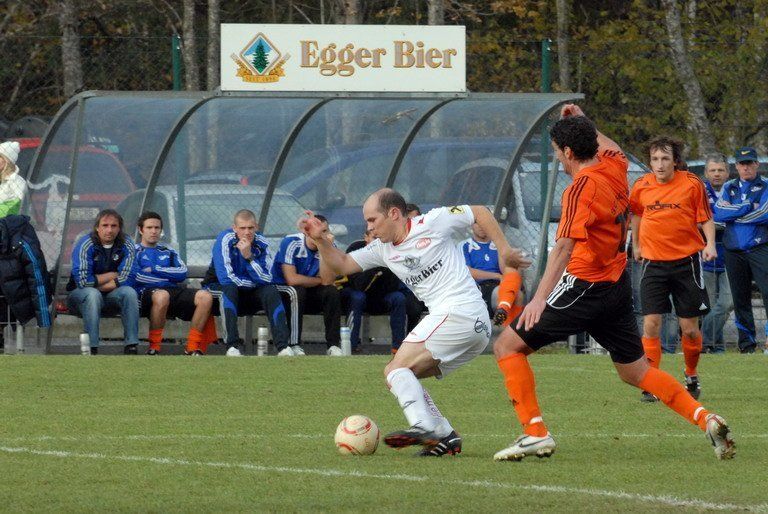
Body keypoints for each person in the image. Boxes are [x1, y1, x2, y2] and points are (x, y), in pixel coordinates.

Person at [491, 104, 734, 462]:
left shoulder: (579, 189)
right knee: (636, 371)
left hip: (584, 286)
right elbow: (615, 147)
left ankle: (535, 433)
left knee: (507, 346)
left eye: (557, 151)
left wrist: (540, 298)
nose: (557, 158)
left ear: (568, 151)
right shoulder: (614, 167)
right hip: (615, 284)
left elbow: (563, 248)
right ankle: (705, 418)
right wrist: (583, 120)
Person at [299, 189, 530, 457]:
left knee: (397, 369)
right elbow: (338, 268)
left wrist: (504, 249)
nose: (369, 227)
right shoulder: (382, 248)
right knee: (399, 375)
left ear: (394, 213)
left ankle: (424, 425)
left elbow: (478, 211)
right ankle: (445, 435)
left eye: (373, 220)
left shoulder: (432, 222)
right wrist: (320, 240)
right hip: (467, 326)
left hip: (461, 312)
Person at [629, 136, 716, 401]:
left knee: (689, 328)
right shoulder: (641, 185)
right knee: (651, 323)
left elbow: (705, 217)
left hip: (686, 262)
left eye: (665, 158)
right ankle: (652, 382)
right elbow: (637, 215)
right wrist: (636, 245)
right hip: (653, 263)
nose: (660, 164)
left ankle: (691, 374)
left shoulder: (691, 184)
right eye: (655, 159)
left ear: (675, 161)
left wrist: (710, 244)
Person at [202, 209, 291, 357]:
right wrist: (254, 282)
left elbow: (268, 278)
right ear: (234, 228)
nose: (247, 232)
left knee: (271, 291)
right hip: (218, 287)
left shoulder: (261, 242)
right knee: (229, 290)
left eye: (250, 228)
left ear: (256, 227)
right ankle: (232, 346)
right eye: (242, 228)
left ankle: (283, 347)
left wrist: (249, 257)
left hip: (248, 289)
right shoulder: (225, 239)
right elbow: (226, 278)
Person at [134, 211, 217, 355]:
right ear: (140, 230)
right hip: (146, 293)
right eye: (149, 228)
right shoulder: (134, 251)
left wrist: (155, 269)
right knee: (162, 295)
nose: (153, 231)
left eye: (157, 228)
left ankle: (192, 347)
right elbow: (137, 276)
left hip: (173, 290)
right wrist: (167, 276)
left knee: (205, 296)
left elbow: (182, 272)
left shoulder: (168, 251)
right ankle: (154, 347)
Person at [713, 146, 768, 354]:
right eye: (742, 164)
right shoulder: (729, 186)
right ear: (736, 166)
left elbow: (765, 213)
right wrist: (747, 206)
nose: (746, 168)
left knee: (767, 292)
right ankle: (747, 346)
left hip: (759, 247)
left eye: (749, 163)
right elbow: (719, 212)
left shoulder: (765, 185)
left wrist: (734, 215)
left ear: (756, 164)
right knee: (740, 298)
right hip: (734, 250)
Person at [66, 209, 140, 355]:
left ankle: (131, 345)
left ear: (119, 228)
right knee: (92, 294)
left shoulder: (127, 243)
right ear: (97, 228)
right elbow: (83, 281)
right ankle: (92, 347)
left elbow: (128, 277)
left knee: (129, 293)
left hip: (109, 295)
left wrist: (98, 285)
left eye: (114, 226)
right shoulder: (85, 244)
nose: (109, 230)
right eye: (105, 225)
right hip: (80, 296)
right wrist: (113, 274)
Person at [341, 228, 422, 354]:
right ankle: (351, 346)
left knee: (398, 298)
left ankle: (398, 347)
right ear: (366, 237)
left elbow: (393, 285)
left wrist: (384, 265)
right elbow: (357, 284)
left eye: (379, 239)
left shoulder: (390, 251)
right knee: (358, 297)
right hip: (359, 295)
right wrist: (374, 265)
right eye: (374, 238)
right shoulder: (355, 249)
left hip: (381, 297)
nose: (377, 243)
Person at [272, 214, 343, 356]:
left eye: (325, 231)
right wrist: (319, 280)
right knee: (297, 291)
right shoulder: (291, 242)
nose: (323, 235)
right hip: (282, 289)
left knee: (331, 292)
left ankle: (333, 345)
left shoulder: (330, 246)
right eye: (319, 231)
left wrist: (324, 249)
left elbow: (328, 281)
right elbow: (292, 279)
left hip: (309, 289)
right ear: (307, 231)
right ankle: (294, 344)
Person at [459, 222, 523, 325]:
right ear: (471, 225)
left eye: (484, 223)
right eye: (477, 223)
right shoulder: (465, 245)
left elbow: (505, 270)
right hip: (479, 288)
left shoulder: (498, 245)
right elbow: (468, 272)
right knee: (506, 294)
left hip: (500, 285)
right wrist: (497, 276)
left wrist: (499, 246)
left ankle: (512, 328)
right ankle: (507, 325)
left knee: (518, 294)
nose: (481, 226)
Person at [701, 155, 734, 353]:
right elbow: (697, 220)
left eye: (720, 170)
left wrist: (714, 222)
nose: (716, 174)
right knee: (711, 307)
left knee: (728, 303)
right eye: (712, 170)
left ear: (727, 173)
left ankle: (702, 341)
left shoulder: (735, 190)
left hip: (731, 256)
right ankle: (717, 349)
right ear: (706, 173)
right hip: (706, 257)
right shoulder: (700, 191)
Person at [0, 141, 28, 218]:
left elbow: (25, 201)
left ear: (7, 161)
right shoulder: (2, 180)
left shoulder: (15, 180)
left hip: (8, 222)